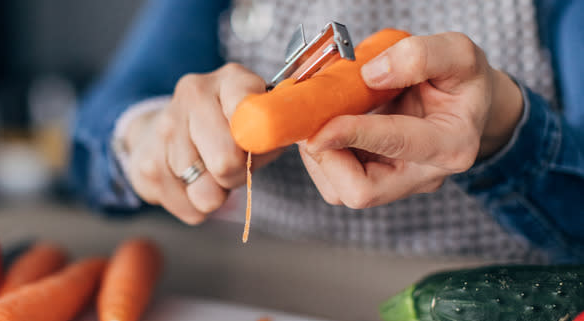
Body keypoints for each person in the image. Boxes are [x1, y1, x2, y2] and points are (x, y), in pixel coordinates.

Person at [68, 0, 583, 264]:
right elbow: (95, 132)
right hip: (275, 300)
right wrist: (146, 135)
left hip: (489, 319)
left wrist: (504, 131)